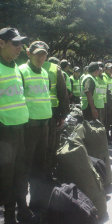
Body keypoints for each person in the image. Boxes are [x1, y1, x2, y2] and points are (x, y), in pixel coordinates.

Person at [0, 27, 36, 224]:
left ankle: (22, 209)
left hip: (21, 130)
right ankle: (9, 216)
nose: (20, 47)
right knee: (6, 177)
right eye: (15, 43)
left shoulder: (14, 66)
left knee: (20, 173)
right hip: (4, 133)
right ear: (1, 43)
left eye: (21, 43)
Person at [19, 41, 52, 217]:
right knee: (25, 167)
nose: (41, 57)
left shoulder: (45, 72)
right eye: (38, 54)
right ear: (29, 54)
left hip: (44, 125)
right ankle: (22, 207)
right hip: (29, 127)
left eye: (44, 54)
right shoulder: (22, 72)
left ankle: (37, 202)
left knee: (40, 166)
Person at [43, 57, 70, 177]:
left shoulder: (24, 68)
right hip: (52, 112)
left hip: (33, 115)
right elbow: (63, 94)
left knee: (39, 145)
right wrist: (63, 114)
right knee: (52, 143)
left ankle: (39, 173)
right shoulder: (56, 70)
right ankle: (49, 170)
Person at [102, 63, 112, 144]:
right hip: (106, 102)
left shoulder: (110, 77)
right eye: (109, 68)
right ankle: (106, 137)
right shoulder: (104, 76)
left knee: (110, 119)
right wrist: (111, 101)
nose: (111, 70)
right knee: (106, 120)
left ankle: (109, 135)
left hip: (111, 101)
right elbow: (106, 91)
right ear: (105, 69)